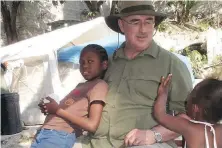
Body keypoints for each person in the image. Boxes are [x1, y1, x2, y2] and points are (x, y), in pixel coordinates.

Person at [76, 1, 193, 148]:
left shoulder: (172, 64)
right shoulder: (107, 63)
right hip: (95, 142)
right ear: (121, 25)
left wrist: (153, 135)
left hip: (147, 144)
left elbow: (188, 118)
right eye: (135, 22)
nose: (143, 30)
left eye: (149, 21)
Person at [31, 44, 109, 148]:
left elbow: (92, 125)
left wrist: (57, 110)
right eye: (82, 62)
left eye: (90, 61)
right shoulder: (81, 86)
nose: (85, 65)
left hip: (59, 136)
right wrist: (49, 110)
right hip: (46, 134)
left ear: (104, 65)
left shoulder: (99, 85)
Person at [154, 76, 222, 148]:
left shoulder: (188, 127)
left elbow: (160, 115)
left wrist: (163, 93)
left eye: (188, 100)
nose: (186, 103)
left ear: (195, 108)